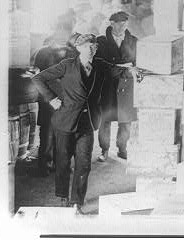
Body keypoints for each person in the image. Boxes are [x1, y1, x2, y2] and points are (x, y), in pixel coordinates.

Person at [31, 33, 139, 213]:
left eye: (94, 47)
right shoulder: (66, 66)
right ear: (79, 49)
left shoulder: (99, 65)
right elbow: (38, 78)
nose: (92, 50)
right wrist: (51, 98)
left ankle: (77, 202)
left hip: (87, 123)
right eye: (88, 47)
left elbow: (116, 69)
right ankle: (63, 198)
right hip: (65, 121)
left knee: (84, 164)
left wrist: (131, 70)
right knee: (63, 163)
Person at [31, 22, 77, 177]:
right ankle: (44, 164)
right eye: (61, 29)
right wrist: (50, 98)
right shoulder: (42, 53)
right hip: (49, 102)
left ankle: (61, 165)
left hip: (67, 101)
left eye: (67, 30)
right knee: (47, 135)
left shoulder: (74, 52)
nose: (63, 34)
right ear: (55, 30)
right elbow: (36, 79)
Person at [95, 11, 138, 162]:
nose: (123, 26)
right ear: (111, 23)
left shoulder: (133, 41)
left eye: (125, 23)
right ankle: (104, 150)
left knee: (125, 121)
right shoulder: (101, 42)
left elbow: (137, 63)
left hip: (126, 85)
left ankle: (122, 148)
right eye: (120, 23)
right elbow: (98, 63)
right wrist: (118, 68)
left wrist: (130, 69)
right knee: (105, 120)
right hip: (108, 85)